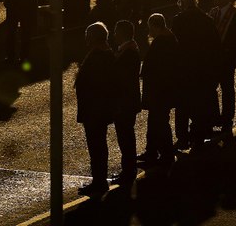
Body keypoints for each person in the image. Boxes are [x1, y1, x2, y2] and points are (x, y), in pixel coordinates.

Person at [172, 0, 221, 151]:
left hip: (184, 69)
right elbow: (215, 45)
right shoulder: (207, 20)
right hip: (203, 69)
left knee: (182, 106)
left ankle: (182, 138)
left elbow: (175, 46)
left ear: (182, 2)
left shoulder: (179, 20)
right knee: (200, 104)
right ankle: (198, 135)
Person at [75, 22, 117, 197]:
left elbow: (94, 84)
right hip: (99, 108)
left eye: (88, 35)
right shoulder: (107, 54)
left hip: (94, 109)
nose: (86, 39)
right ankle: (99, 180)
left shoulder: (98, 57)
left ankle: (99, 182)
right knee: (99, 146)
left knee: (96, 147)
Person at [139, 12, 180, 167]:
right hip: (163, 90)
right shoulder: (169, 39)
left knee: (160, 122)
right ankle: (152, 151)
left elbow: (157, 68)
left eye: (150, 27)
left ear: (156, 27)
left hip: (160, 91)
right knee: (155, 121)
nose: (149, 31)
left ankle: (165, 153)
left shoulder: (162, 42)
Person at [208, 0, 236, 132]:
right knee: (211, 88)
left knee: (227, 89)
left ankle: (227, 117)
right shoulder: (213, 12)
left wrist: (229, 54)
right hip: (213, 58)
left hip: (227, 58)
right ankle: (215, 116)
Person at [111, 19, 141, 183]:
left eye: (116, 31)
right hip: (128, 101)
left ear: (122, 33)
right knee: (126, 136)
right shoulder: (129, 49)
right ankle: (128, 169)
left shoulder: (128, 53)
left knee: (125, 138)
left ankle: (128, 171)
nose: (114, 34)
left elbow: (122, 79)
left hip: (125, 102)